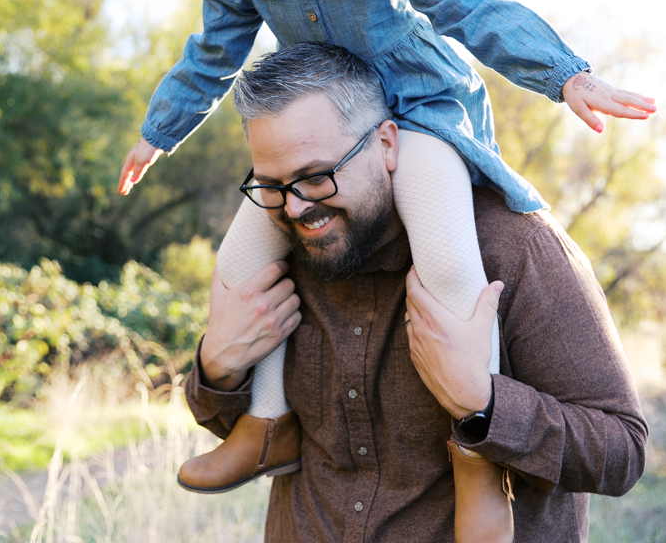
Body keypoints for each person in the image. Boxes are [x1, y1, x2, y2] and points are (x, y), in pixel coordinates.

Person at [116, 0, 655, 531]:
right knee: (236, 269)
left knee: (445, 258)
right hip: (329, 125)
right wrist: (156, 131)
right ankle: (266, 423)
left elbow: (471, 5)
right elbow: (211, 54)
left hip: (422, 113)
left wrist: (563, 75)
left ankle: (476, 457)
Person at [179, 43, 647, 543]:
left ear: (386, 143)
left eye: (315, 177)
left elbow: (622, 451)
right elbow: (231, 425)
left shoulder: (515, 246)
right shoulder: (280, 251)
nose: (294, 208)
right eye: (271, 185)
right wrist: (217, 368)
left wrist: (483, 405)